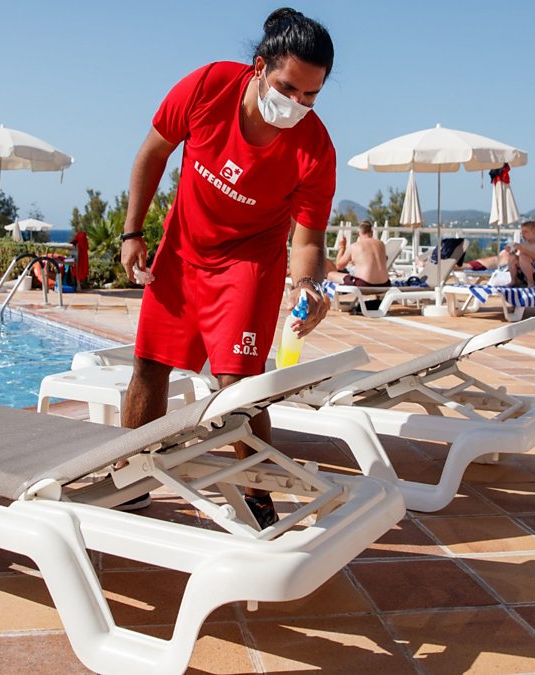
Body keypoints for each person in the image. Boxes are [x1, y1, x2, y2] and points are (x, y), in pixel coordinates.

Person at [118, 7, 336, 526]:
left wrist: (308, 284)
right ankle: (128, 477)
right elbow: (153, 153)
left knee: (238, 382)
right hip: (182, 249)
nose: (297, 104)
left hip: (248, 261)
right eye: (288, 88)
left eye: (311, 95)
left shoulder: (315, 149)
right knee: (148, 364)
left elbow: (308, 238)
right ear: (260, 67)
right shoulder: (208, 86)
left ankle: (259, 493)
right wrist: (132, 231)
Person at [461, 220, 535, 288]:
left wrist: (521, 249)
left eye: (525, 232)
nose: (523, 234)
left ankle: (531, 283)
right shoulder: (524, 244)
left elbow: (533, 256)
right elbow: (517, 259)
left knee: (523, 256)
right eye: (522, 232)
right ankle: (513, 281)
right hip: (523, 275)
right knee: (512, 256)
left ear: (533, 232)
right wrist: (511, 250)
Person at [326, 220, 388, 286]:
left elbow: (339, 266)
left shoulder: (354, 246)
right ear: (372, 232)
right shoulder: (381, 244)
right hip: (385, 284)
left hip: (364, 284)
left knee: (331, 274)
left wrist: (342, 247)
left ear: (359, 233)